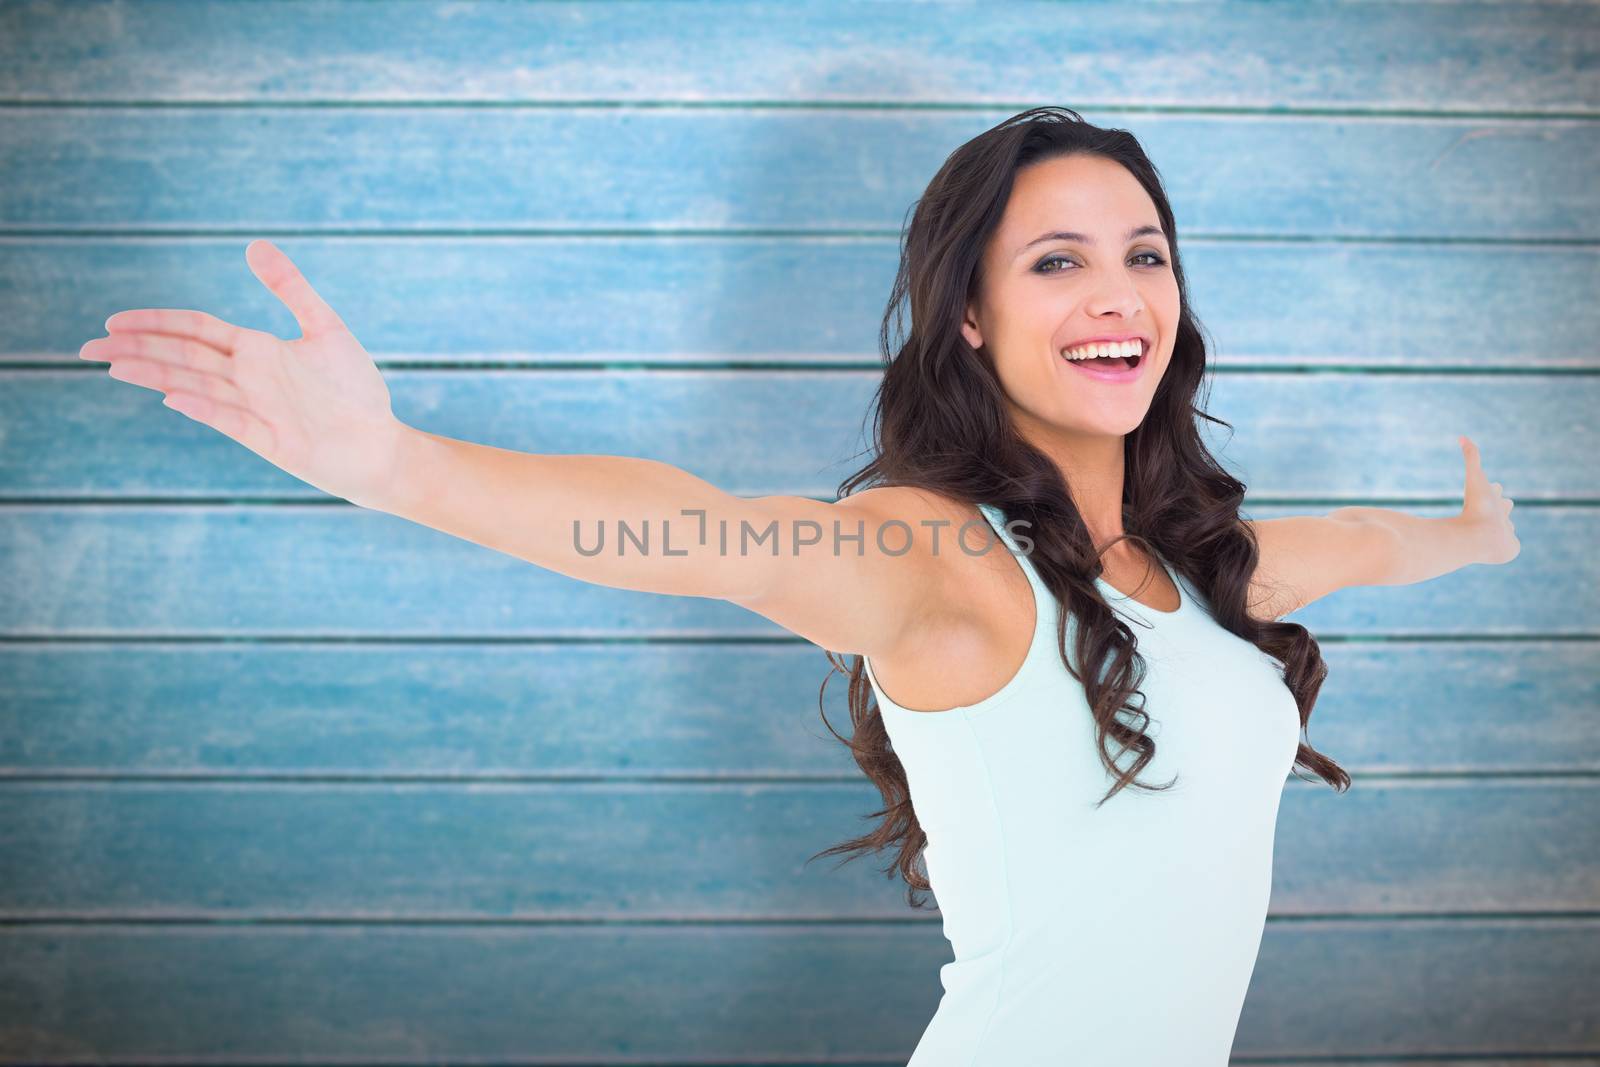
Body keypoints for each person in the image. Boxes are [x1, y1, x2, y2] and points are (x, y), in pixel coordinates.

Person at [79, 106, 1519, 1065]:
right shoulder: (940, 560)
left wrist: (1476, 535)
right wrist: (396, 463)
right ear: (970, 315)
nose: (1118, 294)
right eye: (1057, 260)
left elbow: (1364, 541)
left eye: (1145, 256)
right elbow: (690, 528)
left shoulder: (1201, 570)